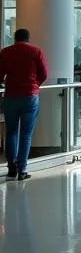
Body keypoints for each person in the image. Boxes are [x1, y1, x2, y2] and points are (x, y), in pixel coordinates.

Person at [0, 28, 49, 182]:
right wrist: (35, 85)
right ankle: (22, 170)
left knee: (11, 132)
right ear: (28, 38)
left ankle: (11, 169)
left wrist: (4, 82)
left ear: (15, 38)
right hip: (30, 97)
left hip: (11, 96)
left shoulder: (6, 52)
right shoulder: (36, 51)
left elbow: (0, 74)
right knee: (26, 134)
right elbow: (44, 74)